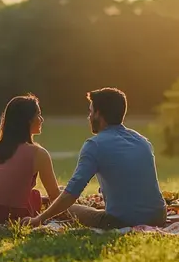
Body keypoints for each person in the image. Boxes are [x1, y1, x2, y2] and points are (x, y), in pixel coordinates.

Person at [24, 87, 167, 229]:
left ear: (98, 114)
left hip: (122, 221)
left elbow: (72, 193)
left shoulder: (95, 145)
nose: (89, 117)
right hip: (159, 216)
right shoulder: (142, 141)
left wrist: (40, 218)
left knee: (65, 205)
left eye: (90, 112)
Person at [0, 94, 62, 227]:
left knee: (34, 195)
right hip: (14, 216)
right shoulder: (39, 154)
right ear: (27, 120)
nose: (41, 119)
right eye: (38, 114)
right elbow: (55, 197)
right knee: (39, 195)